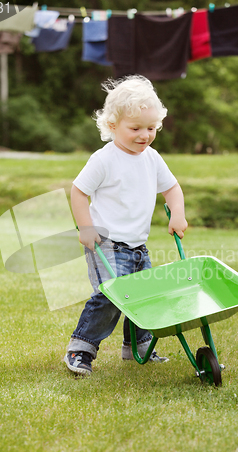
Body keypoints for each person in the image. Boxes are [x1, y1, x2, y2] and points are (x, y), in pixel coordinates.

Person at [64, 75, 188, 376]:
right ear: (112, 126)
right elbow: (78, 192)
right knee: (111, 295)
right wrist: (86, 227)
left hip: (137, 244)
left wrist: (177, 214)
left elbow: (171, 188)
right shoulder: (104, 160)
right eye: (135, 128)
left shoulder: (152, 158)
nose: (144, 135)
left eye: (151, 128)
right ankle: (80, 349)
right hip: (105, 242)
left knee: (143, 295)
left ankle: (138, 346)